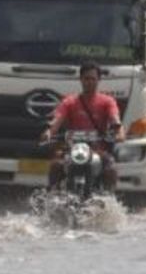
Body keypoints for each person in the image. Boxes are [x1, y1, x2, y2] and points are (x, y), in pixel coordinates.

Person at [40, 61, 125, 191]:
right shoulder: (69, 101)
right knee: (56, 165)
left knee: (110, 170)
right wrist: (48, 133)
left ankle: (110, 200)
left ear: (98, 80)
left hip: (98, 150)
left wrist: (118, 132)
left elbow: (115, 119)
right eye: (86, 78)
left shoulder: (107, 102)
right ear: (80, 79)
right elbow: (57, 120)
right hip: (71, 150)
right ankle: (51, 198)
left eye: (93, 79)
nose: (89, 82)